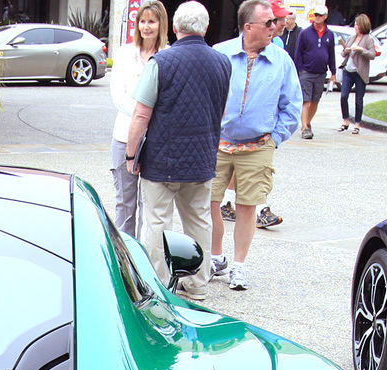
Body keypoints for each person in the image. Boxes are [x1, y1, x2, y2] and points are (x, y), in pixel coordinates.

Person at [125, 1, 231, 302]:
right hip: (202, 159)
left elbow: (141, 116)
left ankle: (157, 285)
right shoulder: (223, 63)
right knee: (198, 221)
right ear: (206, 27)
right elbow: (220, 110)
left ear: (173, 27)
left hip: (162, 160)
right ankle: (198, 283)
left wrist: (132, 155)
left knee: (156, 221)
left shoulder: (161, 62)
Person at [208, 0, 299, 291]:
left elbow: (292, 105)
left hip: (258, 146)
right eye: (268, 22)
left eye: (276, 22)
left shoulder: (282, 59)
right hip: (217, 144)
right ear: (248, 27)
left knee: (248, 206)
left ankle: (239, 266)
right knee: (207, 201)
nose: (275, 26)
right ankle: (215, 257)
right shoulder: (220, 54)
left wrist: (274, 139)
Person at [108, 0, 166, 239]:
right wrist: (144, 115)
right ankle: (123, 256)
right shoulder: (124, 54)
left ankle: (146, 257)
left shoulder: (168, 55)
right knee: (125, 202)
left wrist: (148, 119)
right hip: (124, 136)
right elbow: (118, 96)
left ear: (161, 23)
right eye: (142, 21)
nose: (146, 27)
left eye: (151, 21)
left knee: (151, 205)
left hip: (156, 140)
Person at [290, 3, 337, 139]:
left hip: (321, 72)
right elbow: (298, 53)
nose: (317, 17)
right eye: (316, 15)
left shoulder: (329, 35)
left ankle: (308, 123)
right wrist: (299, 70)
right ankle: (304, 127)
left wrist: (333, 73)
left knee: (315, 101)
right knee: (307, 100)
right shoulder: (305, 33)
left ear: (325, 16)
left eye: (320, 15)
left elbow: (331, 54)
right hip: (306, 71)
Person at [336, 13, 378, 132]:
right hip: (348, 71)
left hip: (360, 73)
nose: (355, 26)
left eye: (357, 24)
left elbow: (372, 55)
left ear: (362, 25)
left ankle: (357, 124)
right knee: (343, 96)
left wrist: (361, 50)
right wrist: (346, 50)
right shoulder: (351, 38)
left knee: (358, 100)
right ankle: (345, 121)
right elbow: (344, 53)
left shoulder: (368, 39)